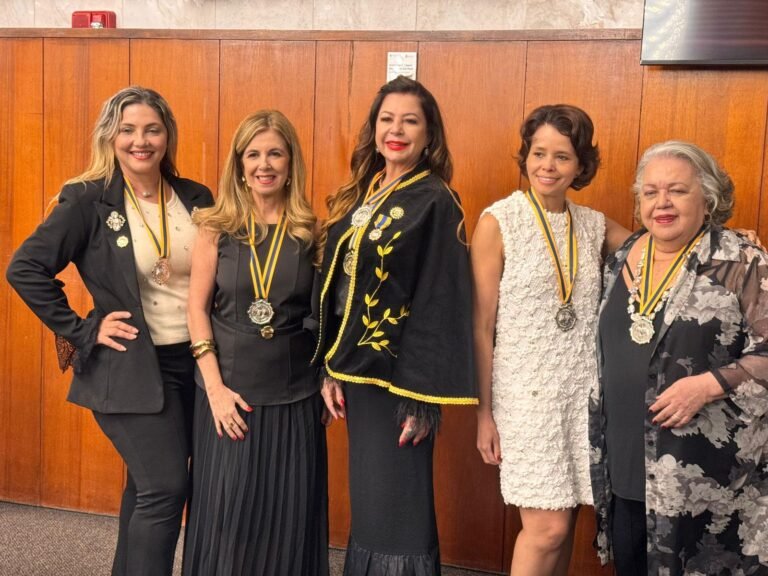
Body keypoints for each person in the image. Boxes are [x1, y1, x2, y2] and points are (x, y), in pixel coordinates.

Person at [5, 86, 214, 576]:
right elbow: (25, 269)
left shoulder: (195, 197)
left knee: (146, 488)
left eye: (152, 129)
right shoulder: (87, 199)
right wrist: (81, 330)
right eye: (128, 130)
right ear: (110, 136)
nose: (140, 141)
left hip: (195, 364)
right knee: (165, 488)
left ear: (167, 136)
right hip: (129, 369)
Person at [316, 76, 477, 575]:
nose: (397, 130)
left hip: (401, 382)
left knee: (398, 503)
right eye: (387, 119)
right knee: (371, 497)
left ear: (430, 135)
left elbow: (441, 303)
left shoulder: (436, 200)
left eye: (410, 121)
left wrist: (422, 399)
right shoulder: (362, 193)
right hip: (357, 373)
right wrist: (329, 367)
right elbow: (337, 288)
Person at [589, 141, 768, 575]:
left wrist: (705, 385)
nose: (661, 203)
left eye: (677, 190)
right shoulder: (620, 258)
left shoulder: (741, 260)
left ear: (707, 198)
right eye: (649, 192)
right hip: (627, 462)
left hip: (710, 481)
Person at [472, 104, 632, 576]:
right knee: (548, 530)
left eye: (562, 156)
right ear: (524, 158)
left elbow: (655, 247)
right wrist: (483, 412)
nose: (547, 166)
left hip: (582, 394)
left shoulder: (593, 224)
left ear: (581, 165)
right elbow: (481, 325)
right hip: (525, 395)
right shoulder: (498, 221)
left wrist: (718, 240)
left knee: (568, 522)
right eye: (538, 153)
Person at [183, 110, 328, 576]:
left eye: (275, 153)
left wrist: (325, 377)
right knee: (229, 517)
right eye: (254, 154)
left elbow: (324, 316)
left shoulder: (312, 230)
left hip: (294, 398)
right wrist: (214, 391)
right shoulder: (214, 225)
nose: (264, 164)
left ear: (290, 163)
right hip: (228, 396)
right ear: (239, 164)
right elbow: (195, 310)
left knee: (289, 519)